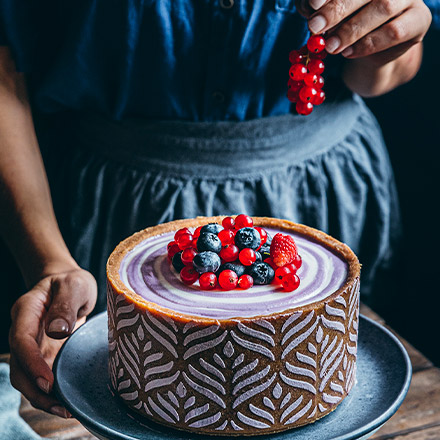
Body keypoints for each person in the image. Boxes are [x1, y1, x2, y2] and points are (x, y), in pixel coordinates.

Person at [0, 0, 432, 419]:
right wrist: (49, 263)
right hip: (109, 195)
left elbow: (387, 71)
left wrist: (382, 34)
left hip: (317, 191)